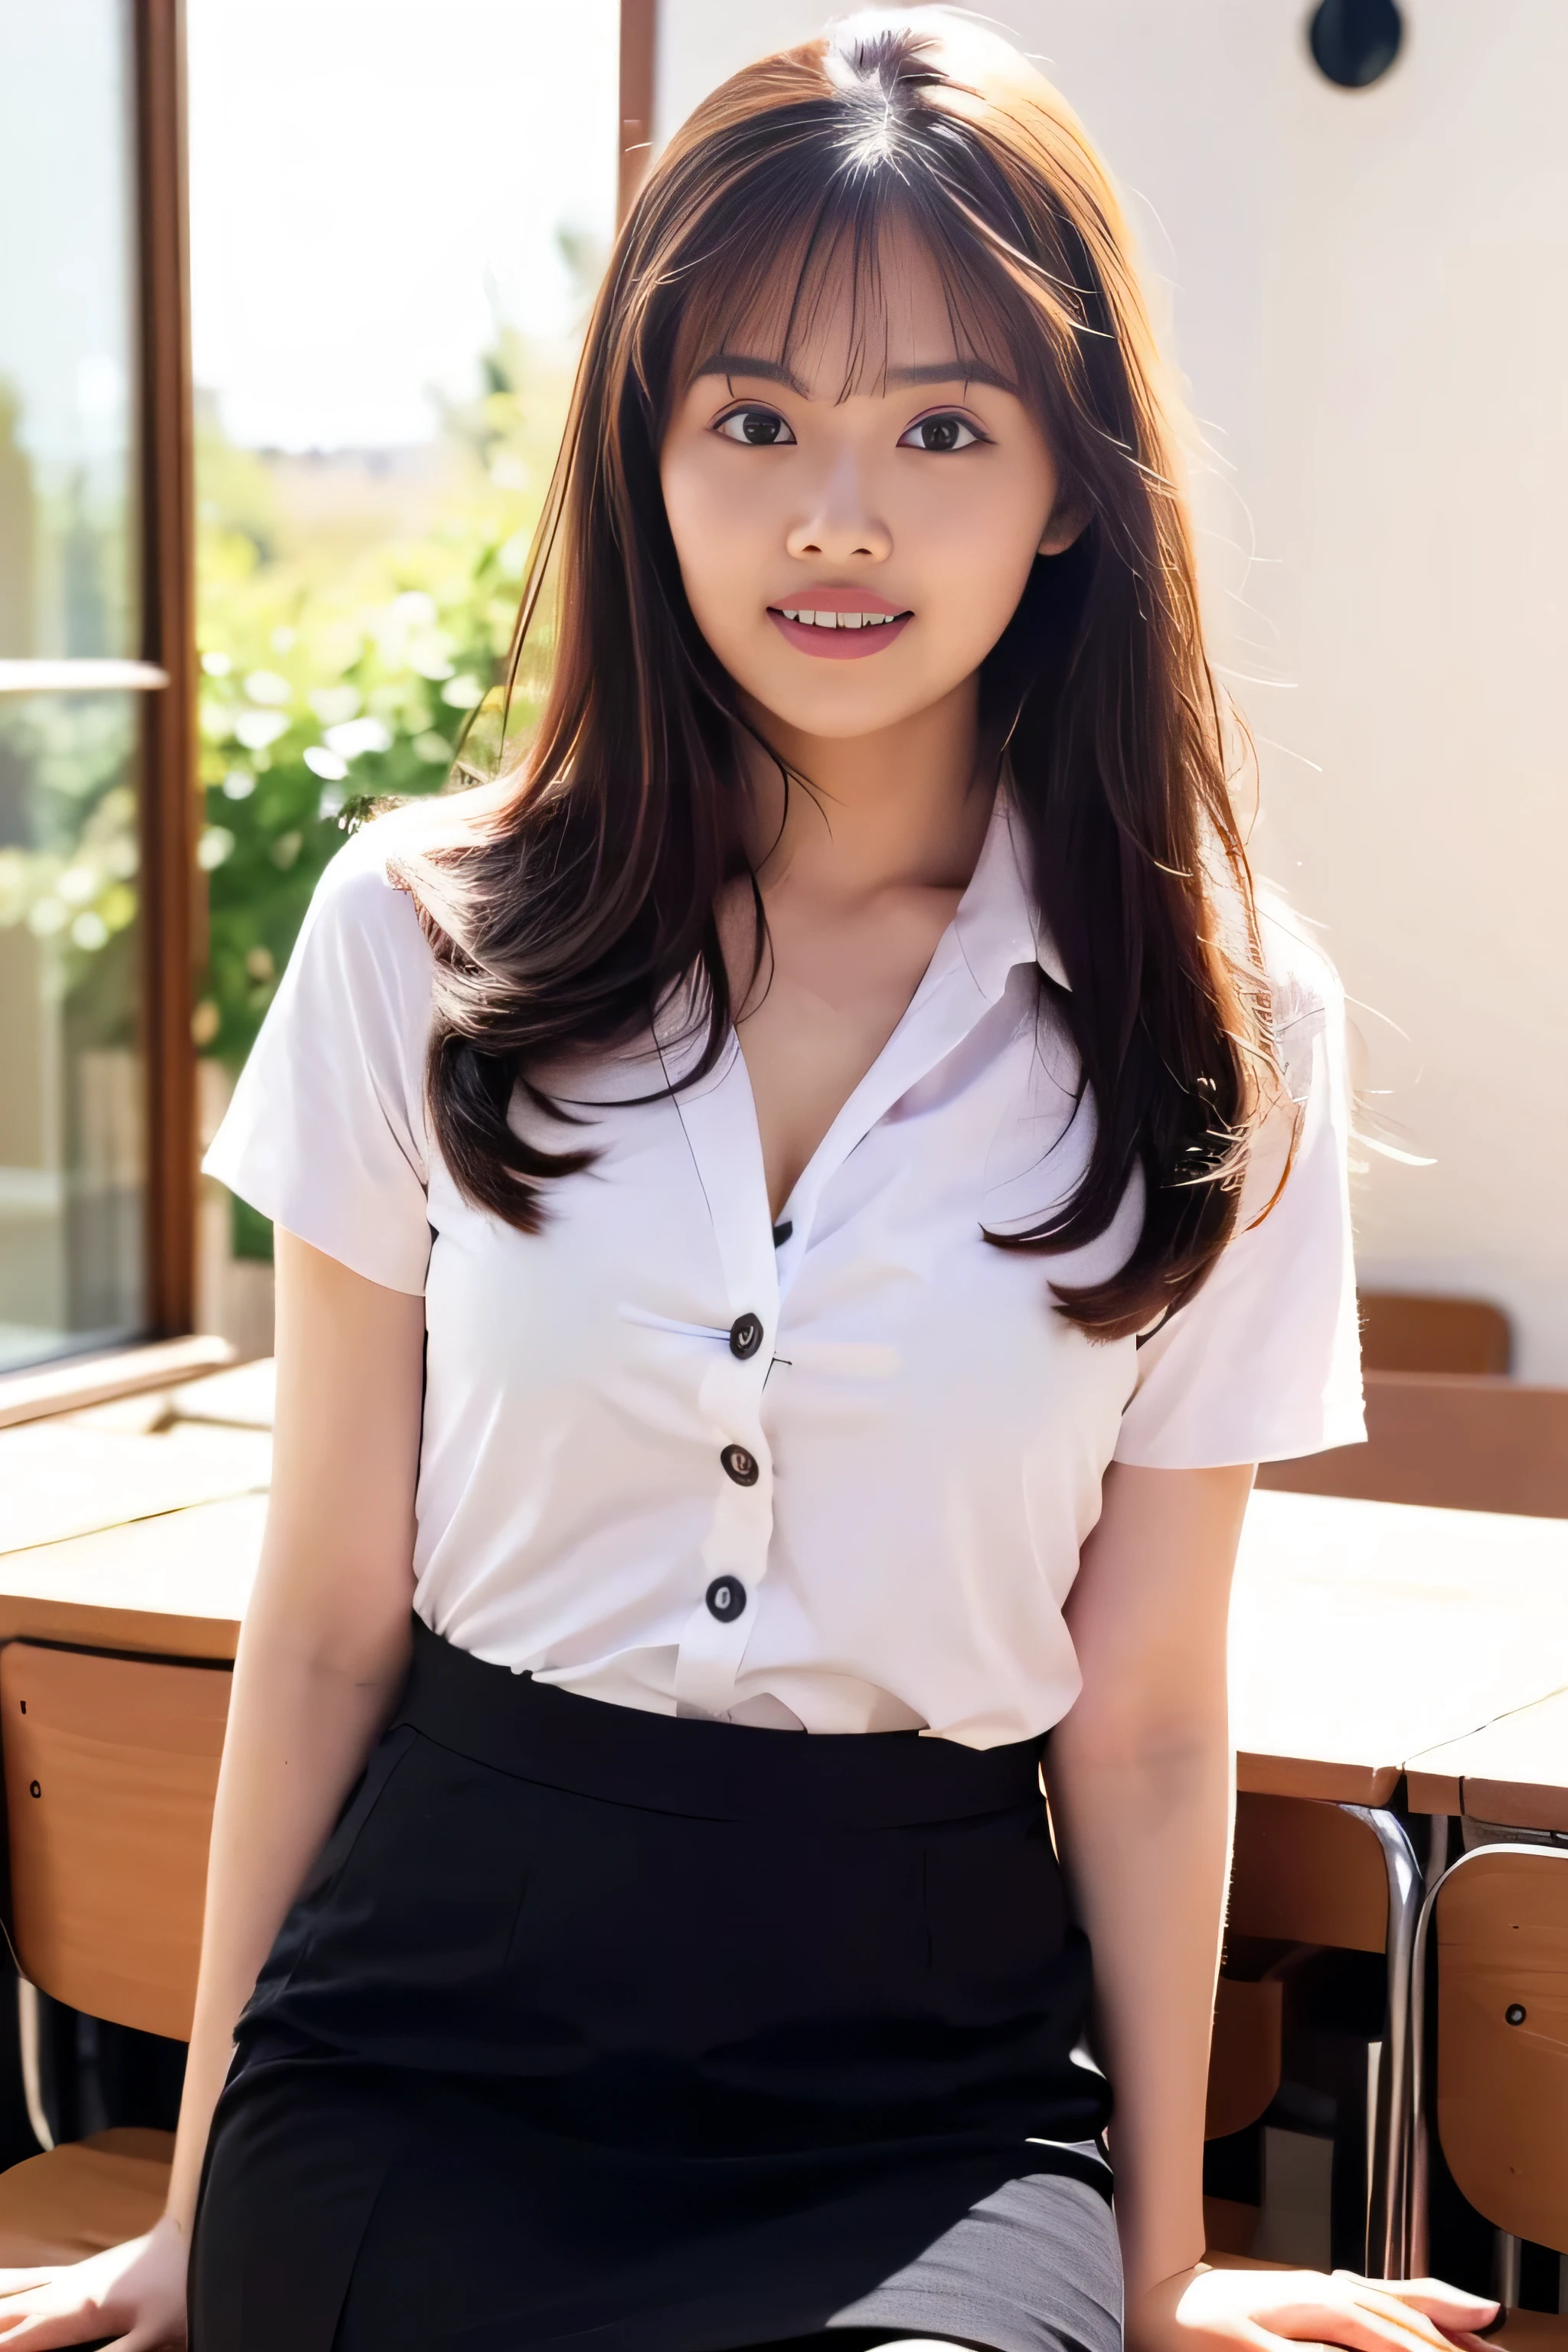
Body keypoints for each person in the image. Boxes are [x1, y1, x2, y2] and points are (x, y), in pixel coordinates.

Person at [0, 15, 1498, 2352]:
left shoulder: (1223, 1026)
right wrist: (199, 2214)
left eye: (940, 426)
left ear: (1072, 480)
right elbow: (318, 1626)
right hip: (431, 2028)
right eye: (755, 420)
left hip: (918, 2072)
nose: (837, 515)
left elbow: (1149, 1712)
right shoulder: (422, 941)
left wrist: (1169, 2258)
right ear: (648, 452)